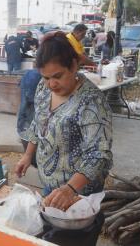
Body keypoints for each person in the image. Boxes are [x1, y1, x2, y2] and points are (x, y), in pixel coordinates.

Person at [15, 31, 113, 210]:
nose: (51, 84)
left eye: (58, 76)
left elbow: (99, 155)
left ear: (74, 65)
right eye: (46, 77)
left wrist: (69, 189)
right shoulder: (43, 89)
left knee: (72, 236)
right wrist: (28, 155)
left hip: (80, 193)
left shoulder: (91, 102)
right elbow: (38, 122)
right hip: (51, 187)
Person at [17, 68, 41, 154]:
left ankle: (22, 131)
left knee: (24, 106)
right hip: (33, 83)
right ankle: (25, 134)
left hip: (27, 81)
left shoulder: (33, 72)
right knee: (31, 110)